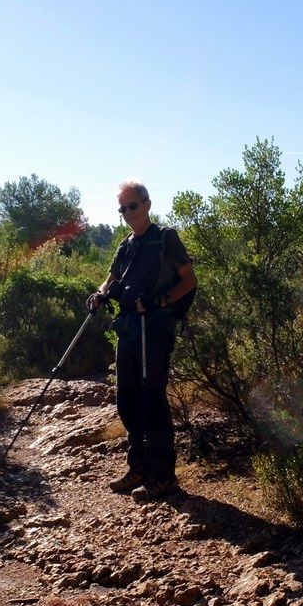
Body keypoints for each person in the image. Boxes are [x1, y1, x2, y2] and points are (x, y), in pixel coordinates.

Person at [86, 180, 197, 500]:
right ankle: (138, 469)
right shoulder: (126, 245)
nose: (127, 213)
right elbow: (111, 279)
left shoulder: (165, 238)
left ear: (147, 204)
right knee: (127, 400)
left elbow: (189, 280)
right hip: (129, 330)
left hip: (155, 330)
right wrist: (100, 294)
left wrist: (160, 301)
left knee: (152, 401)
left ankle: (164, 476)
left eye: (132, 205)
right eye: (122, 208)